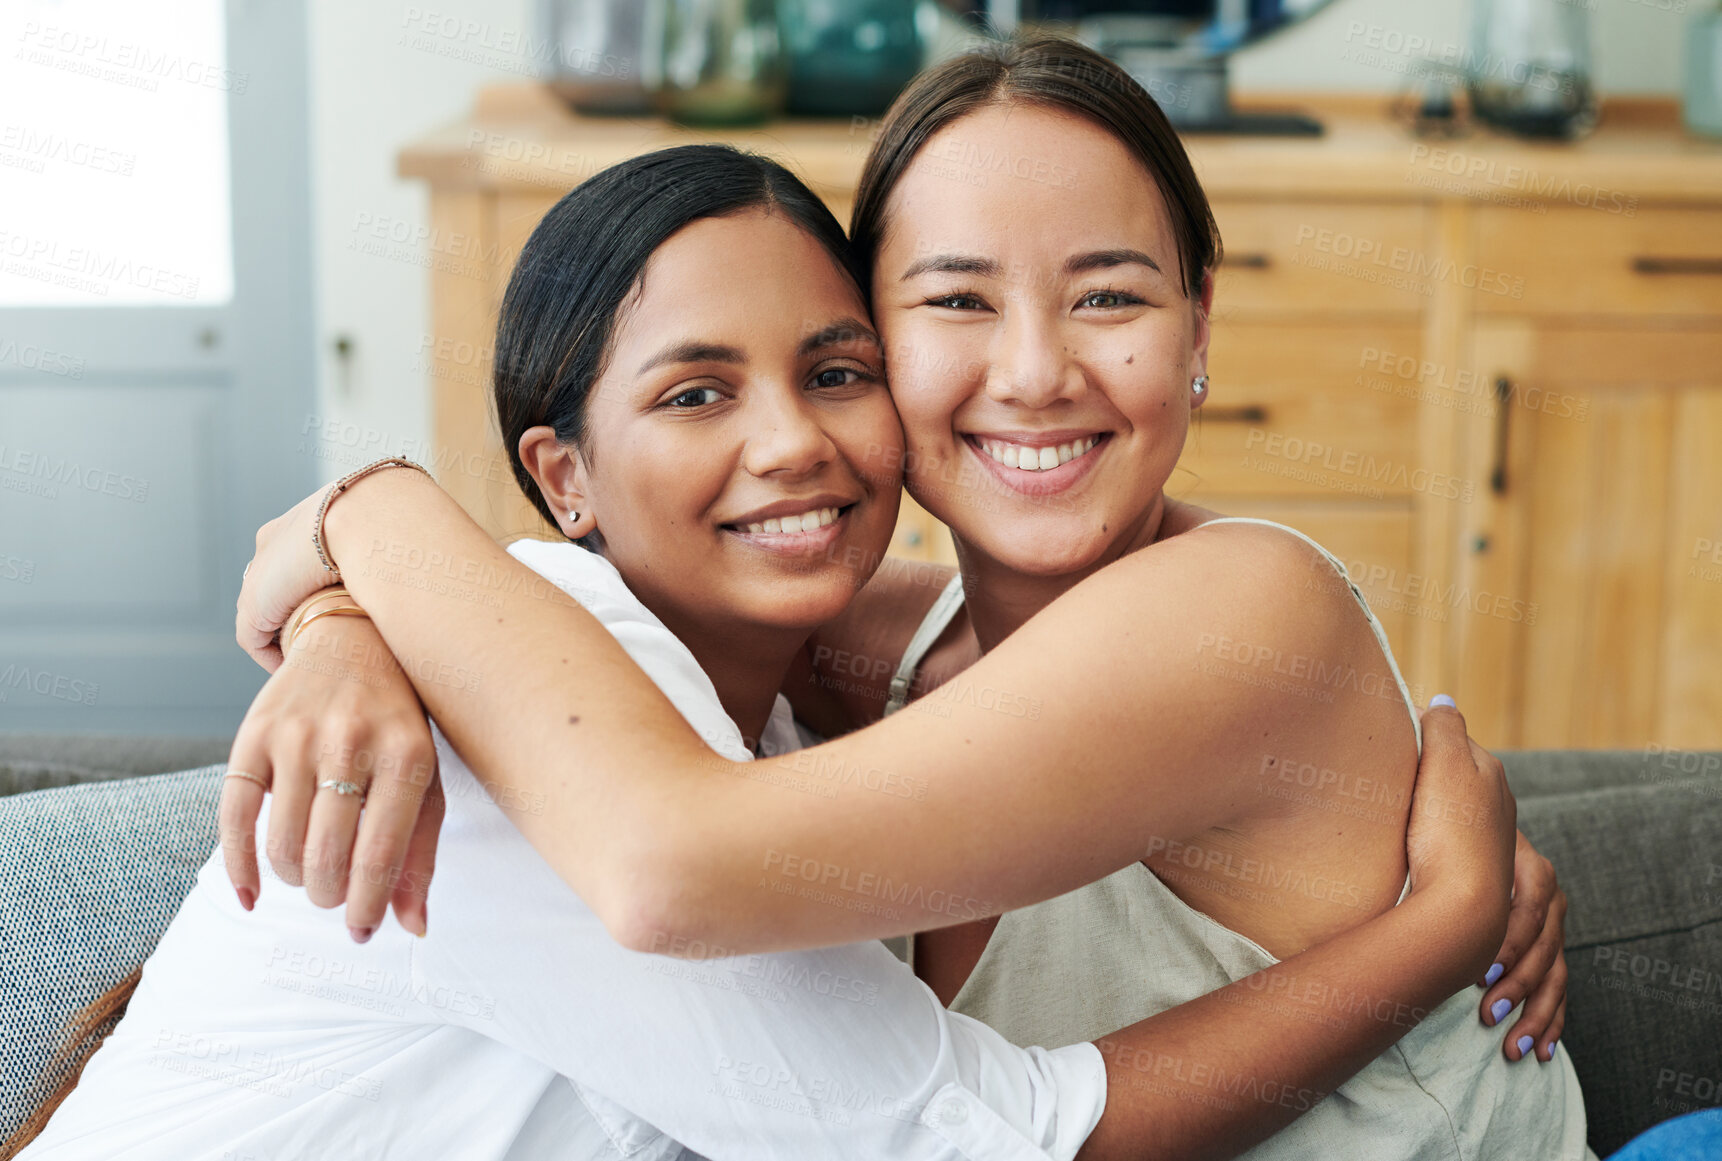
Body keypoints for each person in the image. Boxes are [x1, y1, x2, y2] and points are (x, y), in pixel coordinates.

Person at [8, 144, 1522, 1161]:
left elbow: (1145, 654)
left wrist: (334, 581)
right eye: (693, 394)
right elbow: (976, 1138)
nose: (792, 444)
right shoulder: (551, 721)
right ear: (563, 479)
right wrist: (1435, 930)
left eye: (835, 370)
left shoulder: (793, 725)